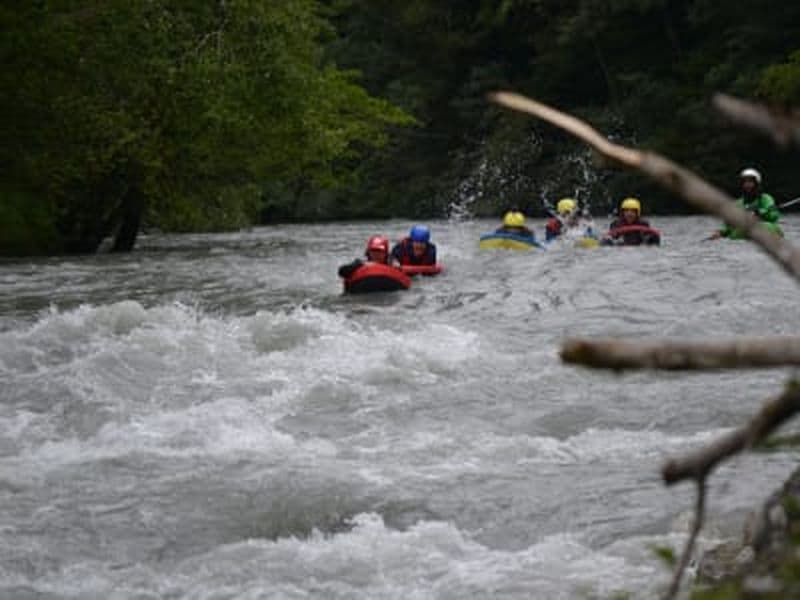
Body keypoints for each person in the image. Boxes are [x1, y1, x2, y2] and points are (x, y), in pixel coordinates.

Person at [709, 168, 782, 239]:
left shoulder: (766, 199)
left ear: (756, 183)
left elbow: (774, 216)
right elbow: (729, 223)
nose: (747, 185)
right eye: (745, 182)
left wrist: (760, 212)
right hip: (744, 231)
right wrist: (721, 232)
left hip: (764, 226)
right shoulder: (738, 204)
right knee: (736, 232)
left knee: (768, 226)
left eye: (750, 182)